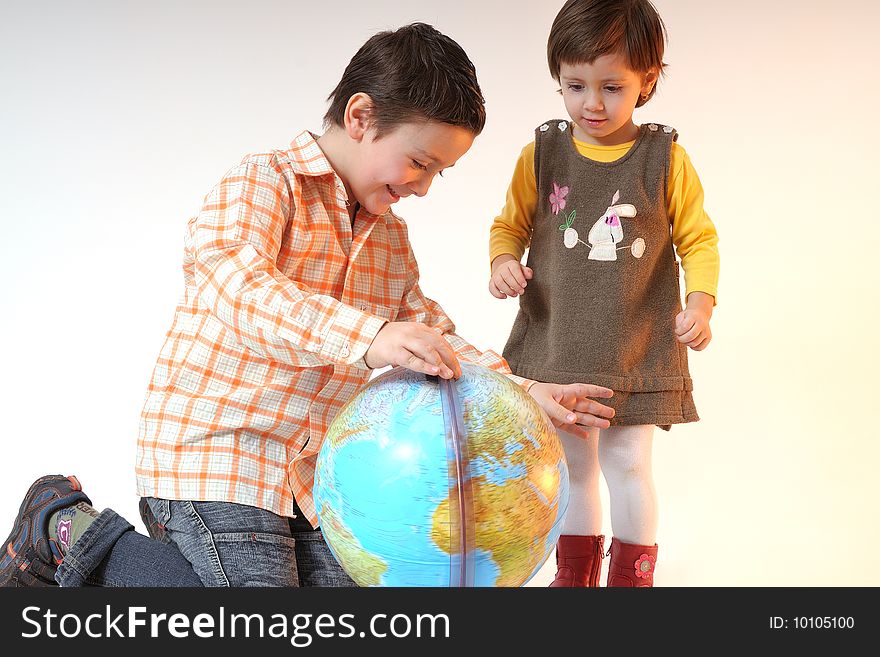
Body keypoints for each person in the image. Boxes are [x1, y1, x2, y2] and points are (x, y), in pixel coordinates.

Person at [1, 22, 615, 588]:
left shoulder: (389, 236)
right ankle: (69, 532)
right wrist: (369, 336)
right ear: (360, 116)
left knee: (369, 591)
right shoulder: (265, 182)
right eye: (420, 162)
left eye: (440, 174)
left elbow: (426, 330)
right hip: (219, 453)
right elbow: (236, 286)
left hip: (309, 477)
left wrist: (520, 388)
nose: (423, 187)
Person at [487, 0, 720, 587]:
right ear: (558, 79)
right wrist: (503, 261)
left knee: (627, 463)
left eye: (612, 87)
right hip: (557, 341)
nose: (592, 103)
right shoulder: (541, 154)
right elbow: (509, 224)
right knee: (571, 465)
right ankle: (574, 574)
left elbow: (699, 238)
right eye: (576, 85)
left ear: (649, 80)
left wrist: (700, 302)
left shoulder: (664, 158)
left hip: (633, 346)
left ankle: (631, 578)